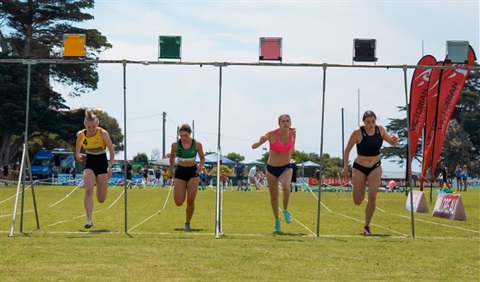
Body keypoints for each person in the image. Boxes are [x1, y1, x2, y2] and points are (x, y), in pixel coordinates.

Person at [342, 110, 398, 236]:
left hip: (375, 167)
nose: (371, 125)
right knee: (358, 200)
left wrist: (395, 139)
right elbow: (347, 150)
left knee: (373, 196)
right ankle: (359, 189)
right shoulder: (357, 132)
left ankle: (366, 226)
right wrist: (345, 168)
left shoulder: (380, 130)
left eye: (373, 122)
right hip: (359, 167)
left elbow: (392, 142)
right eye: (368, 122)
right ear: (364, 122)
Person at [252, 113, 296, 232]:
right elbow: (253, 146)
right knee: (274, 197)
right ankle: (277, 220)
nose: (286, 123)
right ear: (279, 124)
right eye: (283, 121)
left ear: (290, 123)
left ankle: (285, 210)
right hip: (271, 169)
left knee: (286, 187)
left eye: (288, 121)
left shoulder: (293, 133)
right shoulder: (272, 134)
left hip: (286, 167)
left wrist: (288, 152)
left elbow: (292, 151)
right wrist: (261, 141)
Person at [75, 109, 115, 229]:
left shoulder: (103, 133)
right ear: (85, 125)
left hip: (102, 163)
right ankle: (89, 219)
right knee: (88, 190)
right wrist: (77, 154)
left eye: (93, 126)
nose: (91, 129)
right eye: (89, 127)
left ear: (97, 124)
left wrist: (110, 166)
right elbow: (78, 144)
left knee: (101, 199)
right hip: (90, 163)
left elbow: (112, 152)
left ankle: (99, 182)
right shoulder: (80, 134)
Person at [169, 123, 205, 230]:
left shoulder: (197, 144)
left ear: (190, 134)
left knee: (191, 199)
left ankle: (188, 222)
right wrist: (171, 169)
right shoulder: (175, 145)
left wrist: (200, 166)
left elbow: (202, 158)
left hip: (193, 171)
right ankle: (181, 194)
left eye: (186, 135)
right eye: (181, 136)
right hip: (180, 171)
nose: (183, 138)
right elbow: (171, 156)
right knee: (179, 202)